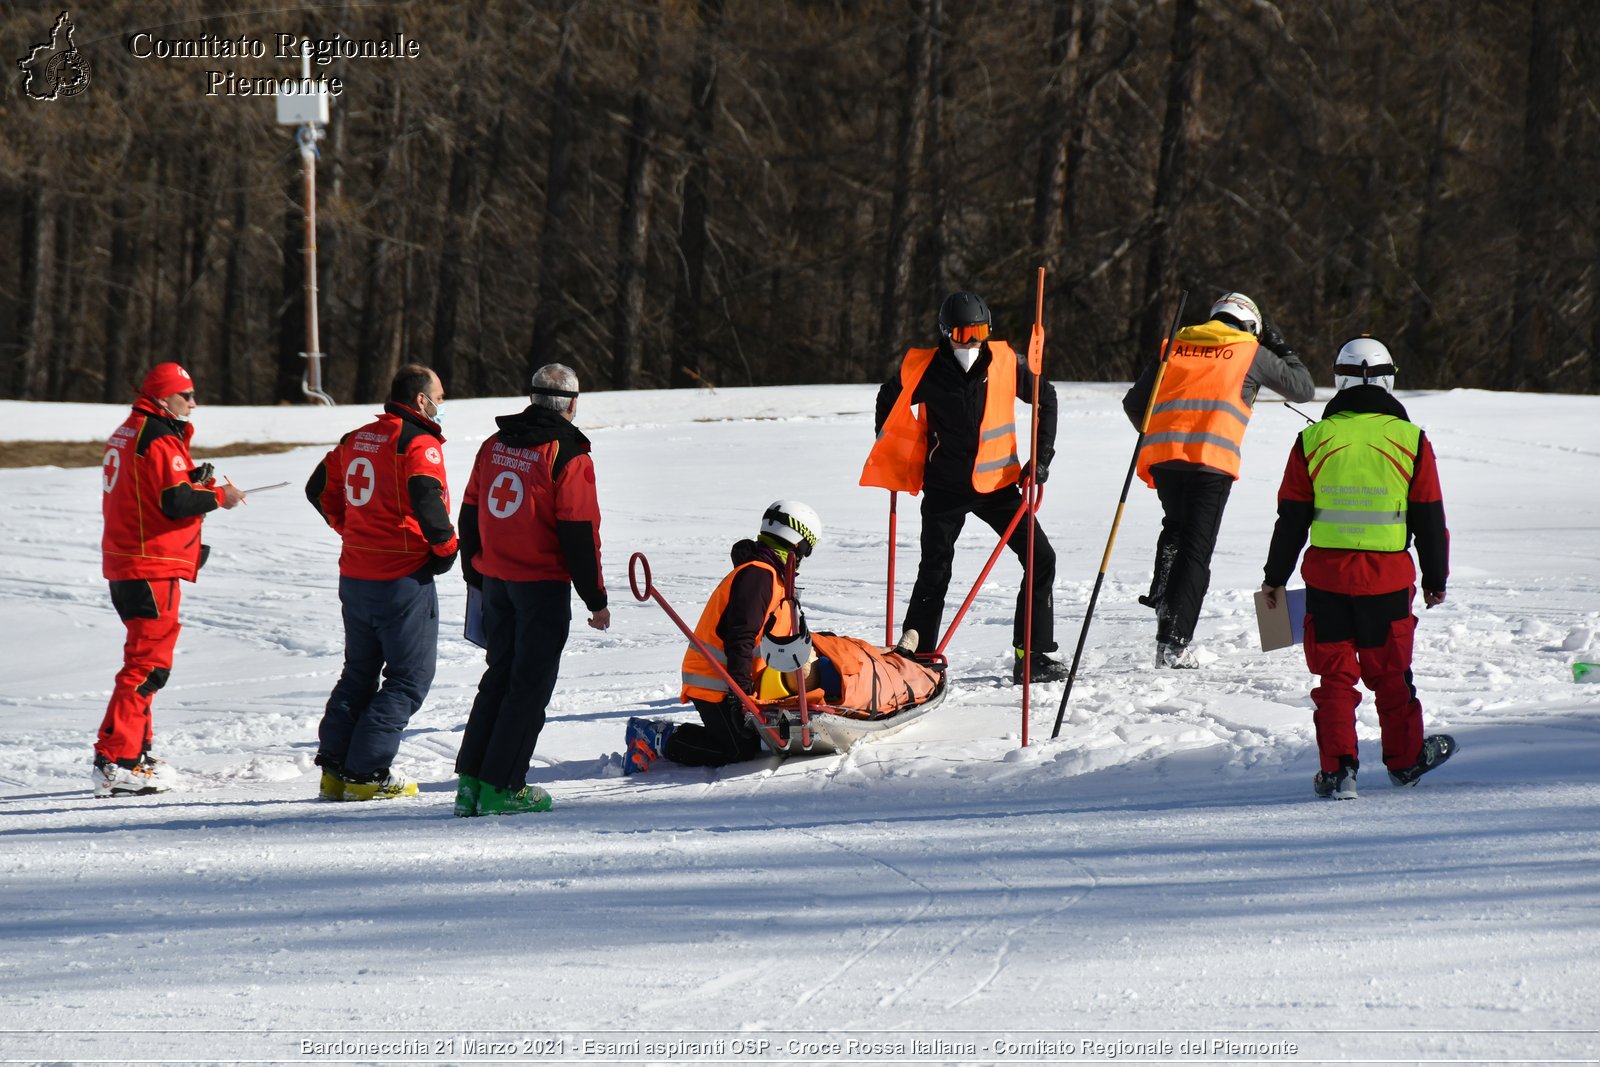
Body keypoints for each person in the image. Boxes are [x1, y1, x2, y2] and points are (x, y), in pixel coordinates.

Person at [1261, 336, 1455, 800]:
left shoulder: (1313, 439)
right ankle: (1405, 760)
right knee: (1391, 673)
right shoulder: (1411, 439)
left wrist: (1274, 578)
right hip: (1387, 580)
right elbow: (1430, 515)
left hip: (1326, 579)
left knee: (1334, 677)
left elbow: (1291, 518)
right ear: (1389, 378)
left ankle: (1338, 771)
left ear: (1338, 379)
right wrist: (1435, 578)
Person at [863, 290, 1063, 684]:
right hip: (944, 488)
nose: (972, 341)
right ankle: (919, 659)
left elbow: (1047, 398)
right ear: (945, 333)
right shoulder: (926, 368)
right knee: (934, 571)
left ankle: (1032, 654)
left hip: (999, 485)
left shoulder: (1007, 362)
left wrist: (1039, 461)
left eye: (980, 331)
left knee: (1042, 558)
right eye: (962, 333)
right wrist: (896, 451)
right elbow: (890, 400)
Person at [1123, 291, 1315, 667]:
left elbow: (1134, 404)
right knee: (1196, 549)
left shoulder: (1175, 345)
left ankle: (1164, 593)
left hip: (1163, 459)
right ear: (1251, 326)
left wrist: (1159, 433)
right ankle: (1173, 643)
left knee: (1176, 528)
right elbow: (1303, 389)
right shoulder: (1249, 351)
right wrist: (1279, 345)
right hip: (1209, 462)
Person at [452, 364, 610, 817]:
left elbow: (469, 513)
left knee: (498, 677)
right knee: (528, 688)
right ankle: (503, 787)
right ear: (573, 404)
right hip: (539, 587)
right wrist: (595, 600)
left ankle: (471, 784)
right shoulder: (568, 454)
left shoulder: (494, 444)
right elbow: (579, 533)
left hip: (497, 582)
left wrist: (477, 577)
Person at [305, 364, 457, 801]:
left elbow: (318, 487)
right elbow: (428, 496)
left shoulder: (356, 438)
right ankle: (366, 773)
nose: (443, 405)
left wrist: (349, 528)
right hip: (401, 578)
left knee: (359, 672)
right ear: (421, 400)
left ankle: (335, 771)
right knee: (409, 679)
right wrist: (445, 549)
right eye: (440, 397)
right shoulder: (418, 442)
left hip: (356, 575)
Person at [95, 362, 246, 796]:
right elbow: (175, 500)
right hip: (148, 565)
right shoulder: (158, 436)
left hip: (133, 561)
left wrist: (190, 480)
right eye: (187, 396)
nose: (194, 403)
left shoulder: (131, 430)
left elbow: (156, 490)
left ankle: (134, 753)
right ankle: (116, 760)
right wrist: (220, 495)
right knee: (147, 666)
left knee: (147, 662)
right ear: (164, 398)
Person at [624, 501, 821, 773]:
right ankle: (656, 736)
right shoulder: (758, 576)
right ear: (798, 543)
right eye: (807, 551)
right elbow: (740, 636)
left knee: (762, 739)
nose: (803, 559)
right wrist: (740, 695)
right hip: (715, 681)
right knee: (737, 749)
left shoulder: (773, 576)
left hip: (740, 679)